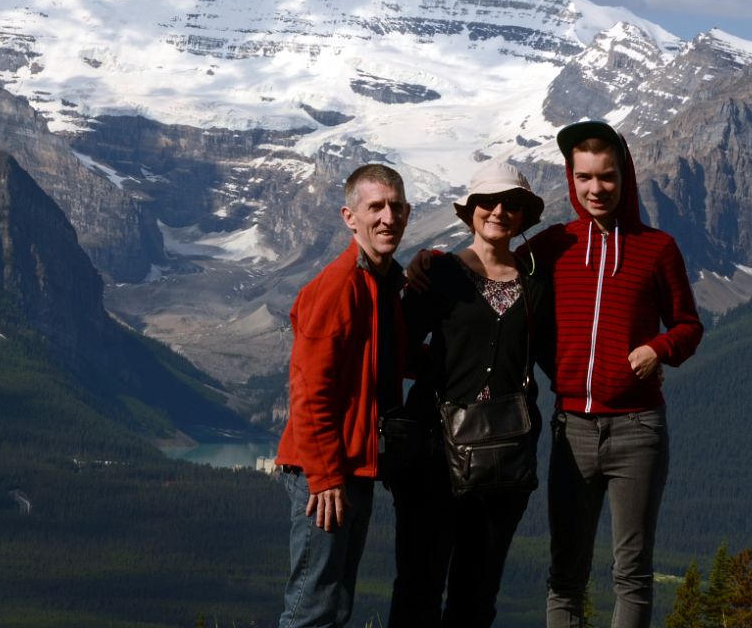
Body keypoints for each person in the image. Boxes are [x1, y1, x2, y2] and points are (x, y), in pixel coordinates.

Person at [532, 121, 704, 628]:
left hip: (638, 429)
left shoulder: (658, 248)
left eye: (605, 177)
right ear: (571, 178)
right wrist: (429, 264)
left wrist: (659, 347)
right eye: (584, 177)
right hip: (572, 430)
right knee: (565, 573)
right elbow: (491, 271)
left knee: (632, 573)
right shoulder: (552, 245)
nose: (595, 189)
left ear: (624, 176)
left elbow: (689, 326)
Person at [388, 161, 553, 628]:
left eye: (512, 204)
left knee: (476, 596)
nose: (499, 211)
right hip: (431, 458)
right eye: (489, 202)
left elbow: (553, 358)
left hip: (503, 464)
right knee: (418, 589)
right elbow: (397, 350)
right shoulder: (436, 272)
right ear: (471, 211)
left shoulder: (537, 285)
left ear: (524, 215)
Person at [275, 163, 411, 628]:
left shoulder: (381, 281)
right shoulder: (342, 285)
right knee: (311, 610)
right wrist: (326, 477)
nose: (387, 217)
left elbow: (384, 362)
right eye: (375, 207)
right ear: (349, 217)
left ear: (409, 213)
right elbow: (309, 387)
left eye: (396, 206)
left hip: (350, 467)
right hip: (326, 475)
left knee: (334, 606)